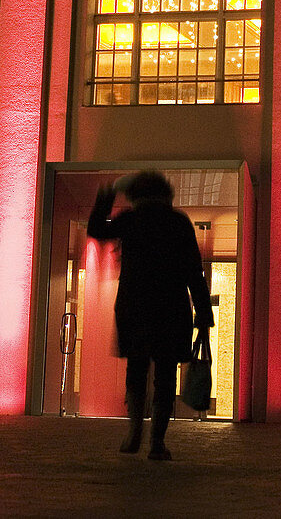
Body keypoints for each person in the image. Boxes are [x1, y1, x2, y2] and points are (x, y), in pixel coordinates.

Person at [87, 170, 214, 460]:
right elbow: (194, 273)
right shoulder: (178, 222)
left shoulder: (131, 220)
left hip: (135, 306)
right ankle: (157, 440)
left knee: (137, 369)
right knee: (166, 375)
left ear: (135, 195)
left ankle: (134, 432)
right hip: (171, 308)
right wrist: (204, 315)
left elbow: (97, 229)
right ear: (167, 194)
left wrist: (107, 195)